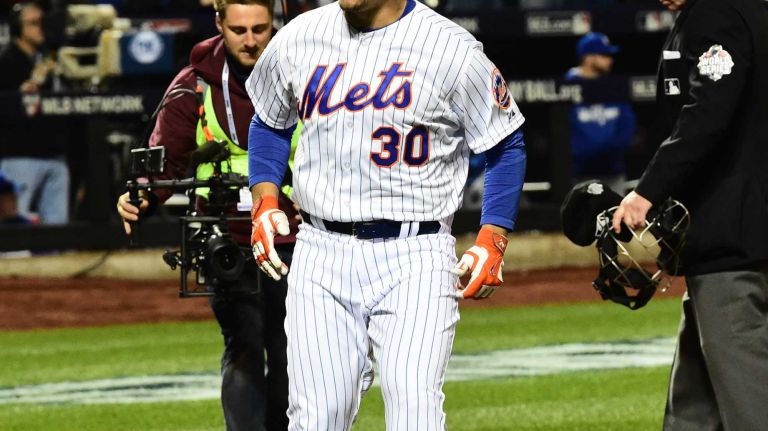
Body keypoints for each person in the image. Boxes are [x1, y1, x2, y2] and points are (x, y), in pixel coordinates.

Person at [246, 0, 526, 428]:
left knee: (415, 412)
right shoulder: (298, 37)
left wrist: (493, 236)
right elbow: (268, 121)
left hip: (415, 254)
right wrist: (264, 201)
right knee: (317, 418)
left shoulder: (451, 48)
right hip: (320, 249)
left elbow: (505, 143)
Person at [116, 1, 298, 429]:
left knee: (293, 349)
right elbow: (165, 161)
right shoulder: (193, 84)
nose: (250, 41)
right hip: (225, 238)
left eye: (260, 28)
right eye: (239, 30)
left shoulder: (304, 71)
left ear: (275, 23)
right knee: (245, 344)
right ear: (218, 24)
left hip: (299, 238)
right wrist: (141, 196)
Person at [612, 0, 768, 429]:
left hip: (732, 241)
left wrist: (648, 191)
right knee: (692, 403)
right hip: (736, 232)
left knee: (748, 396)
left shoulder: (715, 13)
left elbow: (708, 113)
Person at [0, 1, 69, 225]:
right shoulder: (6, 61)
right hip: (20, 155)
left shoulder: (50, 59)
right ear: (17, 28)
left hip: (55, 153)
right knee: (15, 223)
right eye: (33, 23)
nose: (41, 28)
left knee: (57, 227)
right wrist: (18, 94)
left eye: (42, 23)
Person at [565, 32, 636, 195]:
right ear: (588, 58)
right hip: (579, 175)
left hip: (613, 172)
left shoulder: (614, 86)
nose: (610, 59)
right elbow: (562, 133)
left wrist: (612, 152)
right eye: (604, 55)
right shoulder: (567, 86)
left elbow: (627, 124)